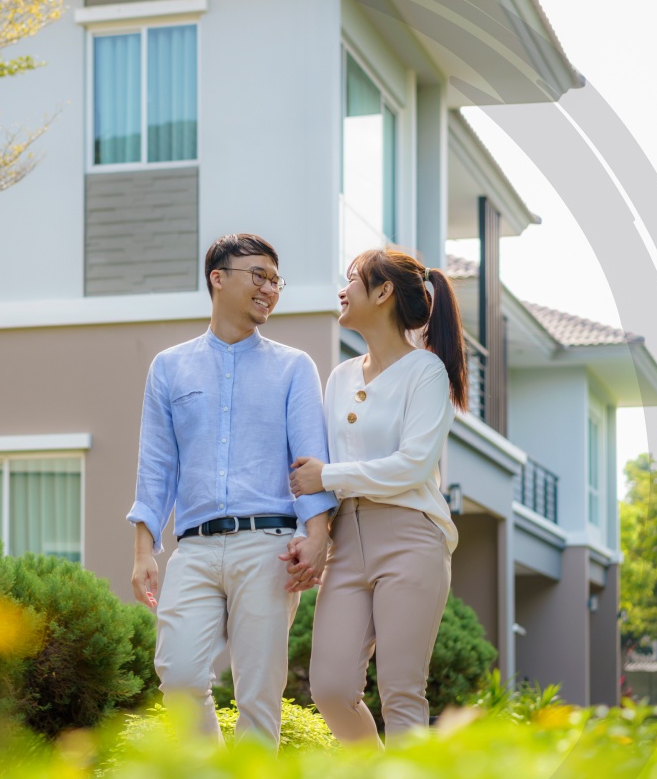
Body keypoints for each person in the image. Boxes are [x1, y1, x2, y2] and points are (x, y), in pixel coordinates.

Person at [128, 233, 338, 744]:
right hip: (194, 548)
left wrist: (317, 536)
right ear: (217, 279)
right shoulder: (169, 367)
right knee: (177, 676)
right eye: (258, 276)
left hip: (269, 547)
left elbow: (312, 461)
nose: (270, 288)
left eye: (275, 279)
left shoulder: (294, 367)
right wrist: (143, 549)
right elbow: (157, 464)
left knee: (258, 696)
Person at [287, 247, 468, 744]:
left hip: (411, 537)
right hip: (346, 544)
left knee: (401, 692)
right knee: (329, 686)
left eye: (353, 280)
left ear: (384, 292)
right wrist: (317, 529)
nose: (342, 291)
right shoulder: (341, 376)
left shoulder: (426, 372)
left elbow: (413, 465)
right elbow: (313, 465)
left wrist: (328, 477)